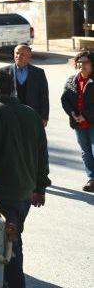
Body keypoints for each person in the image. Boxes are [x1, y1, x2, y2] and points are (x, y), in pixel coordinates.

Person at [0, 68, 50, 288]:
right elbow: (42, 154)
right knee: (11, 241)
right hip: (24, 193)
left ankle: (7, 283)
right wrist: (40, 187)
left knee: (1, 244)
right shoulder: (31, 114)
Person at [59, 50, 94, 192]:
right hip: (78, 123)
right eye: (79, 62)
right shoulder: (71, 80)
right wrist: (72, 113)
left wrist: (85, 115)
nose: (81, 65)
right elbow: (65, 100)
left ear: (92, 64)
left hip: (92, 121)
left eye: (85, 62)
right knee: (86, 152)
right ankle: (91, 179)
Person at [2, 44, 49, 127]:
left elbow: (44, 96)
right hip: (11, 115)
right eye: (17, 53)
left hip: (32, 115)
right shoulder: (4, 72)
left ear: (29, 56)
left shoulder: (38, 73)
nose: (18, 56)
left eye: (22, 54)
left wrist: (44, 117)